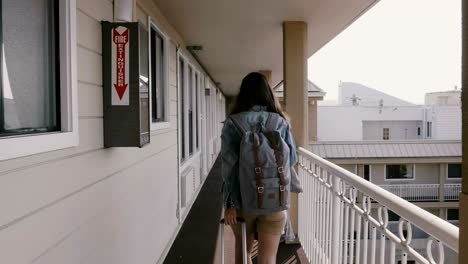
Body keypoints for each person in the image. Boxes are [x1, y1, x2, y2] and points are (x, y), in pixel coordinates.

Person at [221, 72, 302, 264]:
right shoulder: (281, 121)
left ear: (243, 94)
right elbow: (291, 159)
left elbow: (229, 167)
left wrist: (230, 204)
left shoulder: (233, 123)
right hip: (275, 201)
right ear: (268, 93)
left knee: (244, 255)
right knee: (268, 260)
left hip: (243, 202)